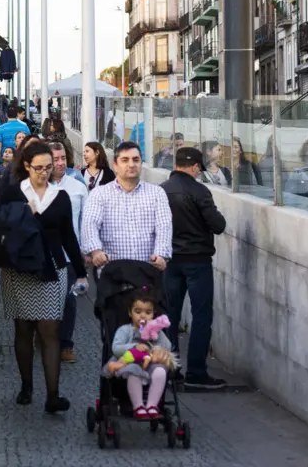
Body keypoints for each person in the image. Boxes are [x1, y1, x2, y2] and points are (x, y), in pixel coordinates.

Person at [0, 142, 87, 412]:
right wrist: (28, 214)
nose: (45, 172)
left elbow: (68, 235)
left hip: (52, 269)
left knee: (50, 331)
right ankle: (26, 385)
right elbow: (1, 224)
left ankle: (52, 395)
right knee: (23, 329)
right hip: (19, 268)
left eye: (49, 167)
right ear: (26, 166)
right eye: (39, 168)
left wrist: (81, 273)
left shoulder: (60, 197)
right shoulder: (14, 192)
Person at [161, 146, 228, 390]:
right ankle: (196, 372)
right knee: (201, 316)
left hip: (169, 260)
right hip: (198, 260)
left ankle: (170, 368)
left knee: (169, 315)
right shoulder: (200, 191)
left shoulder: (161, 191)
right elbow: (218, 225)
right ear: (195, 167)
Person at [80, 141, 173, 272]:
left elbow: (164, 226)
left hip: (147, 273)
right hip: (110, 274)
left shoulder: (157, 193)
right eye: (125, 160)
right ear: (115, 165)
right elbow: (90, 224)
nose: (131, 164)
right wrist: (96, 251)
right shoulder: (99, 194)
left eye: (136, 160)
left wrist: (161, 255)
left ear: (141, 163)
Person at [104, 290, 175, 420]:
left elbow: (168, 346)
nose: (143, 316)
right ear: (130, 313)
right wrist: (133, 346)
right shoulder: (125, 330)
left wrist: (159, 350)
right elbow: (116, 348)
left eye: (148, 313)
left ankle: (152, 406)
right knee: (134, 373)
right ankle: (138, 406)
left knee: (160, 371)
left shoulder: (156, 332)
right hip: (129, 362)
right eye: (138, 312)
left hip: (150, 363)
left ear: (154, 315)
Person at [49, 141, 89, 364]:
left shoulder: (77, 187)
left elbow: (86, 221)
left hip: (70, 256)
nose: (61, 163)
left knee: (69, 300)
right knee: (48, 301)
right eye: (55, 159)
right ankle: (47, 338)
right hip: (45, 255)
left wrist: (87, 251)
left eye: (63, 158)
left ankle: (66, 344)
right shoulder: (36, 187)